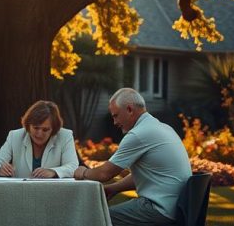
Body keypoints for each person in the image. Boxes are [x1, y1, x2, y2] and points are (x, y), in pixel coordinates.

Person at [74, 88, 191, 225]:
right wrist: (114, 188)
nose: (114, 122)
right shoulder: (163, 128)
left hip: (158, 209)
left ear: (129, 109)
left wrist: (83, 172)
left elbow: (104, 174)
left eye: (115, 116)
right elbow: (147, 175)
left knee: (96, 219)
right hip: (176, 208)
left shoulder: (138, 134)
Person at [0, 100, 79, 178]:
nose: (39, 133)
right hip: (21, 193)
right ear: (28, 125)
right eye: (36, 128)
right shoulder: (15, 136)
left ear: (54, 129)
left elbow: (73, 167)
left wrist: (53, 172)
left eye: (45, 130)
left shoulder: (65, 136)